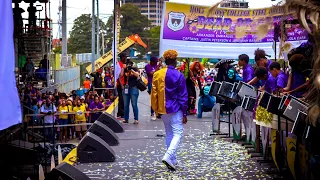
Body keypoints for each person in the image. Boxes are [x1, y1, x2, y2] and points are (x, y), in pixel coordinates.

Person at [151, 49, 188, 171]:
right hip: (176, 108)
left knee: (169, 133)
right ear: (174, 61)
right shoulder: (179, 75)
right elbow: (183, 95)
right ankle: (168, 156)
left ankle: (173, 159)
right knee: (178, 133)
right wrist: (185, 112)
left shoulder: (157, 74)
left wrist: (156, 109)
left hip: (162, 109)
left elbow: (154, 93)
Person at [121, 59, 141, 124]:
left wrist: (131, 70)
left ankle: (136, 119)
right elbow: (120, 75)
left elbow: (138, 75)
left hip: (133, 88)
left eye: (130, 64)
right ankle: (126, 118)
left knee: (134, 104)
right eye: (127, 64)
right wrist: (123, 68)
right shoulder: (124, 69)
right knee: (126, 105)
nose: (128, 65)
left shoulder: (134, 69)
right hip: (126, 88)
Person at [116, 53, 127, 120]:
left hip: (124, 84)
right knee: (122, 99)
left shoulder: (123, 64)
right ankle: (121, 114)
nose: (125, 58)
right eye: (124, 57)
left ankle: (120, 113)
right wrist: (121, 85)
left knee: (122, 99)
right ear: (122, 57)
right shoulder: (119, 65)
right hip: (121, 85)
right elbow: (118, 76)